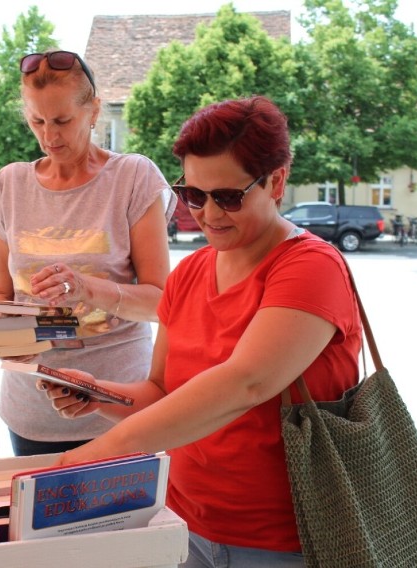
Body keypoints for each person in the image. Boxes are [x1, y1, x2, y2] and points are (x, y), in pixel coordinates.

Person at [40, 96, 362, 567]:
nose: (208, 214)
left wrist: (99, 454)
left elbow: (245, 383)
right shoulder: (191, 272)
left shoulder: (310, 266)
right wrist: (97, 395)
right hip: (183, 523)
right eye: (193, 195)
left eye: (228, 197)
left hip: (286, 539)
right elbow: (162, 391)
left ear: (277, 180)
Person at [0, 49, 176, 456]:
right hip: (31, 412)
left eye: (63, 121)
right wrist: (6, 337)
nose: (50, 137)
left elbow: (163, 303)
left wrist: (88, 289)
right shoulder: (9, 184)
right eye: (37, 122)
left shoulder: (132, 177)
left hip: (120, 408)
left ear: (94, 111)